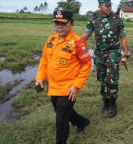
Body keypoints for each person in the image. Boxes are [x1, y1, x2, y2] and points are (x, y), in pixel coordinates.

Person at [35, 10, 92, 144]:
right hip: (53, 85)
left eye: (63, 23)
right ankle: (82, 122)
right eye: (56, 23)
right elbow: (44, 59)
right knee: (61, 109)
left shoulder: (78, 42)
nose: (59, 26)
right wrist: (40, 78)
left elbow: (86, 65)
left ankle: (61, 141)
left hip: (69, 87)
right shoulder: (51, 39)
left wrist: (76, 85)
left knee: (61, 116)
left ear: (71, 24)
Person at [81, 0, 129, 118]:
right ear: (99, 6)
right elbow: (86, 34)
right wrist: (75, 45)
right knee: (102, 80)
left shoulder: (117, 20)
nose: (109, 7)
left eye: (110, 5)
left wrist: (126, 54)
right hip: (99, 54)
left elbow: (123, 37)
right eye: (106, 6)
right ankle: (106, 102)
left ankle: (113, 103)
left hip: (113, 53)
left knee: (111, 80)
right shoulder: (94, 20)